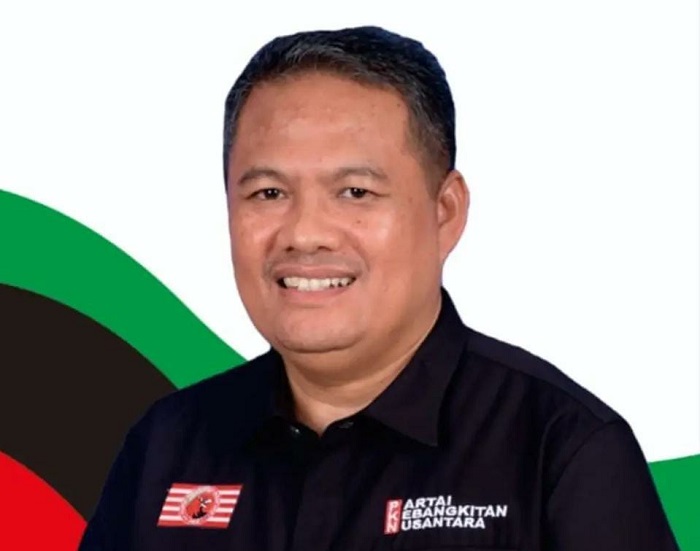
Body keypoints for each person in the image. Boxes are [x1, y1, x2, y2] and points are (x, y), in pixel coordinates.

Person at [78, 26, 679, 550]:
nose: (305, 234)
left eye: (356, 192)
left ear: (445, 211)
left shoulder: (562, 450)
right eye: (268, 193)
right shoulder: (164, 447)